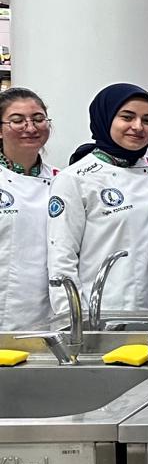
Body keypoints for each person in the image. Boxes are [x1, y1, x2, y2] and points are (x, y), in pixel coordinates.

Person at [48, 83, 148, 314]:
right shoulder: (74, 178)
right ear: (105, 118)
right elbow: (62, 259)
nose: (138, 127)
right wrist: (74, 319)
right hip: (102, 308)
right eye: (127, 117)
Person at [0, 88, 59, 329]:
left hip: (46, 308)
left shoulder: (62, 181)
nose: (31, 128)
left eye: (38, 119)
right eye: (17, 120)